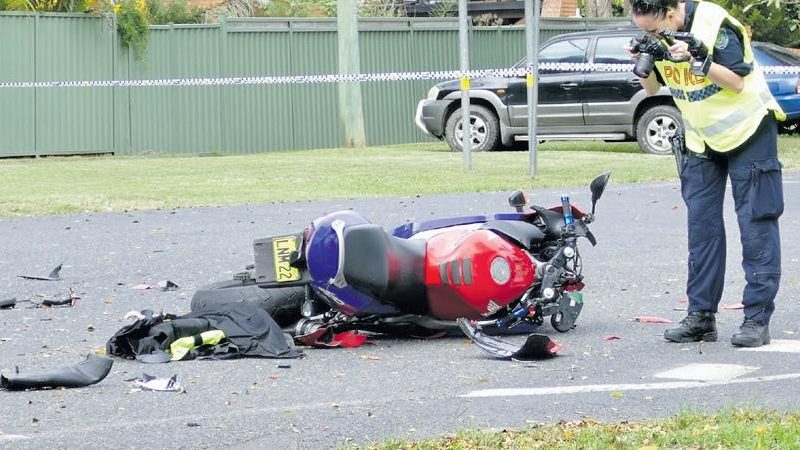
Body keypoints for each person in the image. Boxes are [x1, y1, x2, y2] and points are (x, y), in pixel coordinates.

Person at [627, 0, 786, 347]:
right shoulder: (658, 36)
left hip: (749, 131)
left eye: (652, 30)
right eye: (642, 32)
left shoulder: (715, 24)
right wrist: (644, 59)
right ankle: (701, 317)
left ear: (671, 14)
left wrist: (696, 60)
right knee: (703, 228)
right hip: (701, 139)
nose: (650, 36)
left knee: (756, 225)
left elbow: (737, 82)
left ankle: (756, 318)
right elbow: (652, 90)